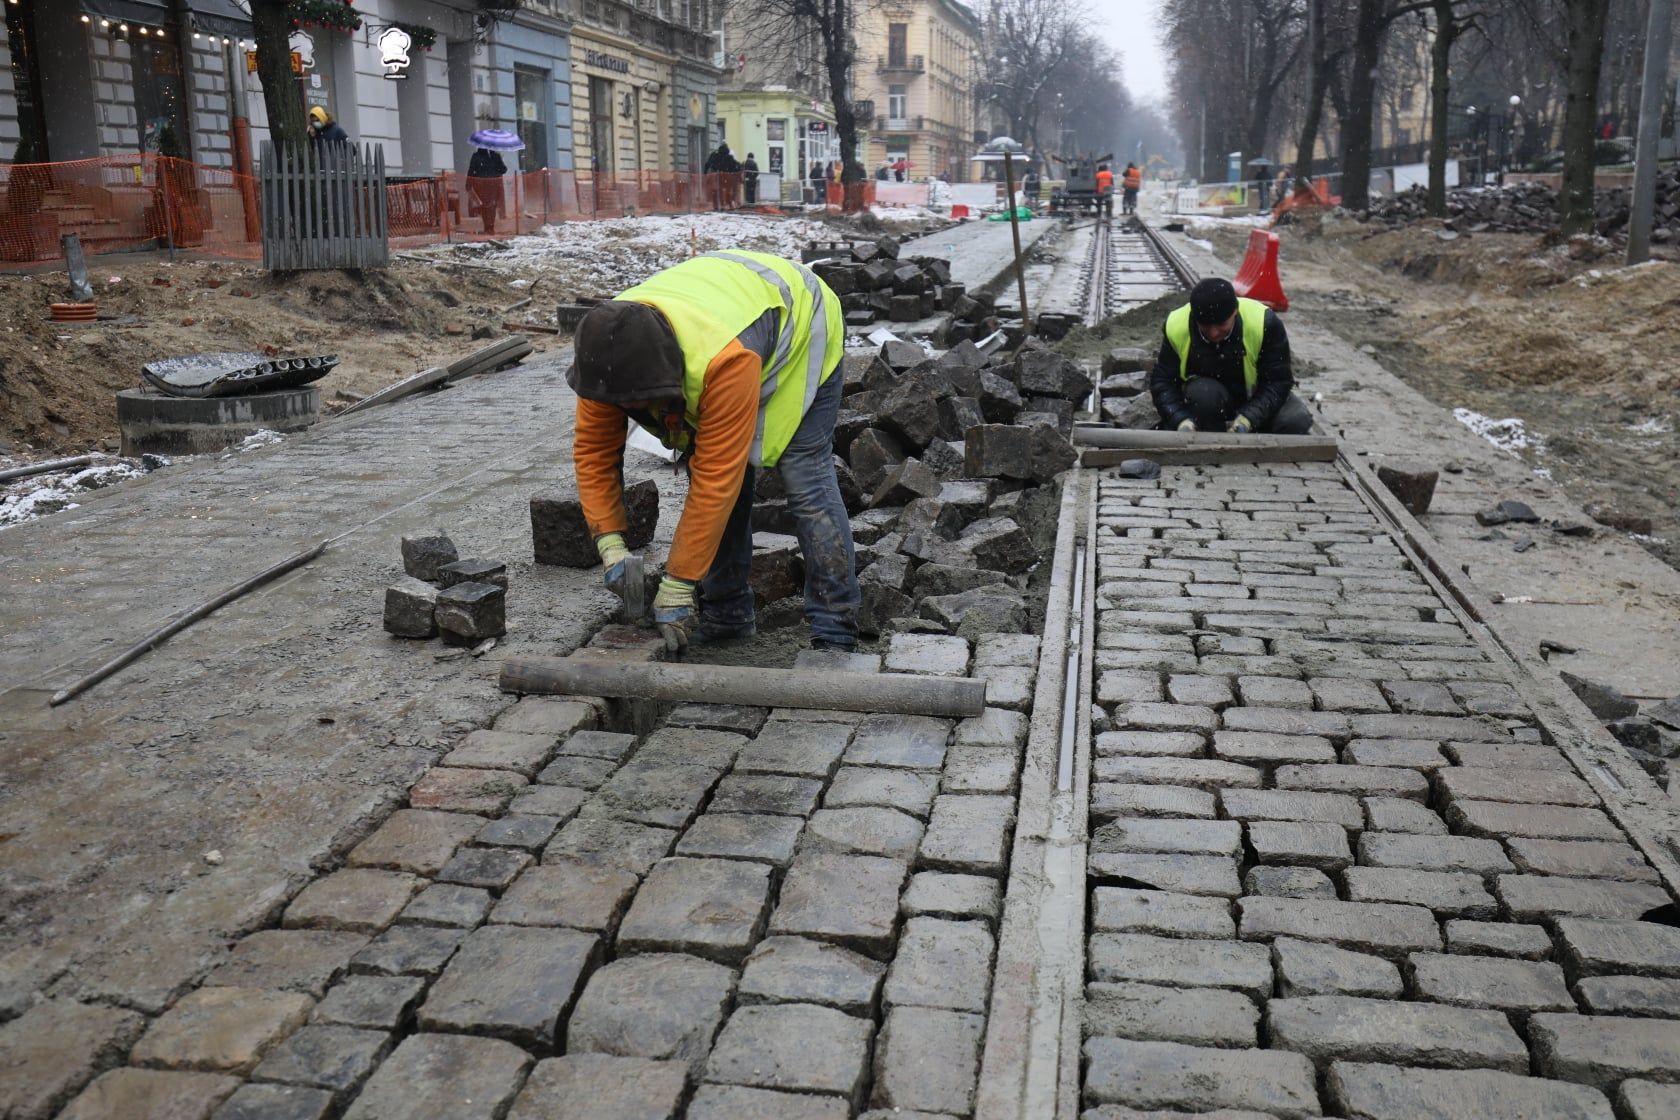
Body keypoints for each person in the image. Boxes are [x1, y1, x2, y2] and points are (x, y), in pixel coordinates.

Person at [569, 250, 858, 653]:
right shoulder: (608, 355)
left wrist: (678, 583)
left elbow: (716, 479)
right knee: (718, 469)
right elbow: (594, 452)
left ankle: (835, 628)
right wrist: (610, 544)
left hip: (802, 320)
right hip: (729, 305)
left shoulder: (724, 362)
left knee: (804, 472)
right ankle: (729, 616)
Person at [1150, 277, 1312, 435]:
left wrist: (1249, 418)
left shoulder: (1263, 323)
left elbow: (1278, 381)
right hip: (1207, 403)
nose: (1214, 333)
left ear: (1235, 312)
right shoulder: (1177, 326)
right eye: (1205, 327)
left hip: (1257, 397)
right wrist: (1180, 420)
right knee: (1203, 394)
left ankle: (1251, 432)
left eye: (1221, 325)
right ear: (1194, 317)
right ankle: (1210, 432)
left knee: (1295, 420)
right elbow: (1163, 381)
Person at [466, 144, 507, 235]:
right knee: (492, 206)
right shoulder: (495, 156)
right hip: (494, 185)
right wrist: (499, 161)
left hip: (480, 185)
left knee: (484, 206)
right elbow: (503, 169)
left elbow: (471, 170)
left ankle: (486, 227)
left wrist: (468, 183)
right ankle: (490, 227)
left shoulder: (476, 156)